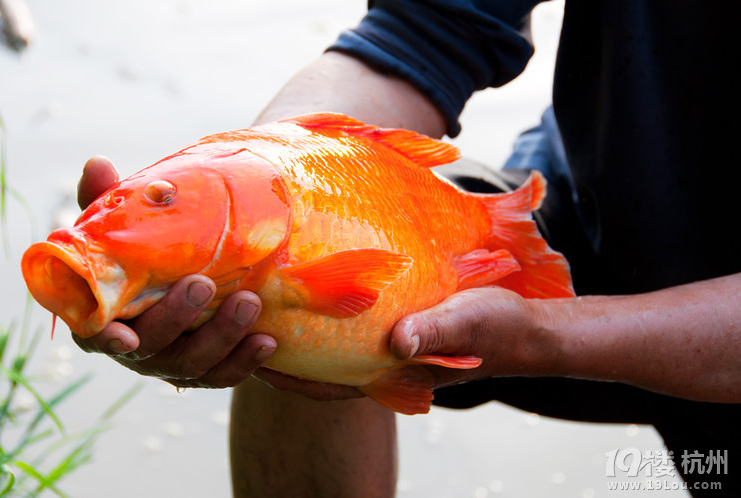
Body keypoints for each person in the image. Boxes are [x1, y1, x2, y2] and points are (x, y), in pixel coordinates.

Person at [73, 1, 741, 496]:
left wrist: (547, 332)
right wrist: (265, 163)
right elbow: (426, 31)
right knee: (285, 297)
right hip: (582, 205)